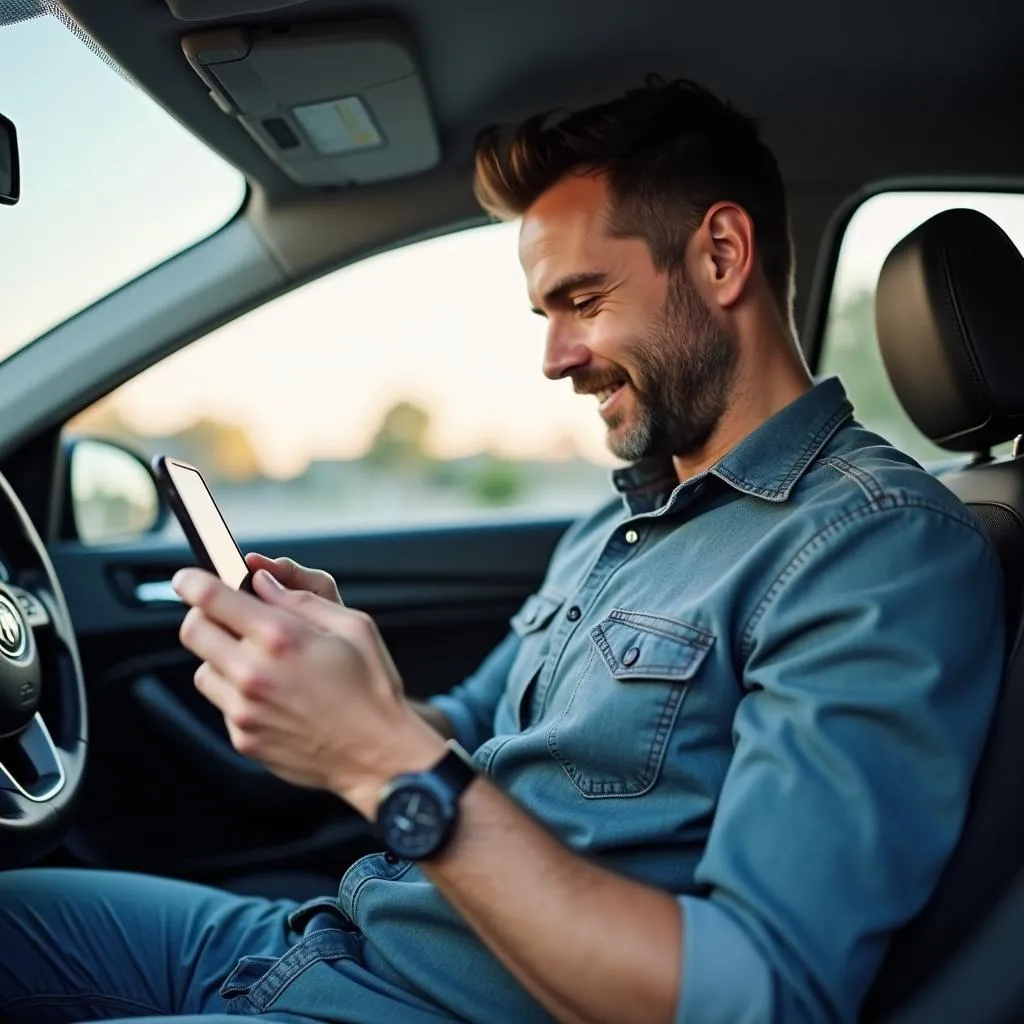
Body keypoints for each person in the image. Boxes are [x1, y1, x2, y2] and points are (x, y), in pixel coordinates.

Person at [0, 77, 1005, 1024]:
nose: (554, 358)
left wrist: (377, 759)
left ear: (719, 255)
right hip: (334, 944)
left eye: (582, 299)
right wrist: (349, 683)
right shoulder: (624, 519)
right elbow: (475, 731)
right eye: (545, 313)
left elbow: (756, 993)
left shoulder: (876, 546)